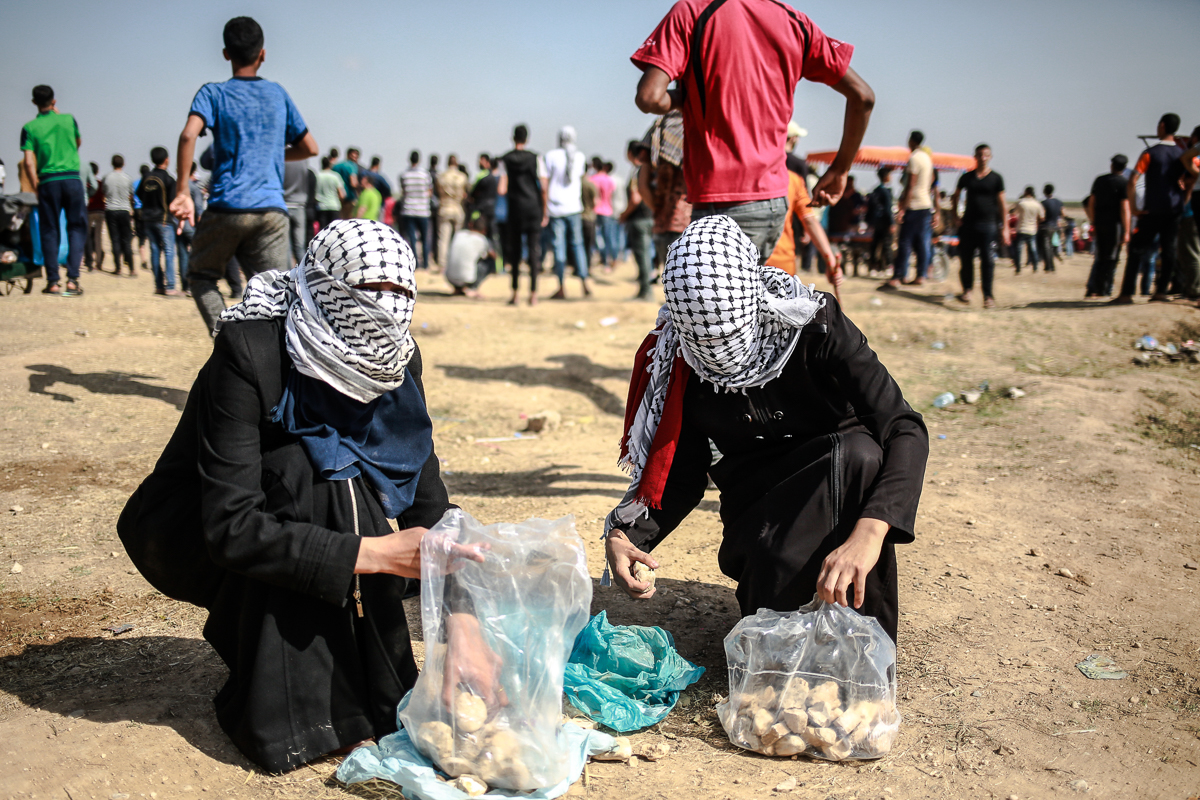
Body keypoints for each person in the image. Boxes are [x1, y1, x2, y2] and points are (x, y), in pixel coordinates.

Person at [119, 219, 501, 772]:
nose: (386, 310)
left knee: (343, 481)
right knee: (314, 471)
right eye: (369, 292)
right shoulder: (251, 351)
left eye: (401, 294)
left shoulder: (395, 358)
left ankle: (374, 684)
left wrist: (462, 626)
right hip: (200, 533)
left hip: (304, 527)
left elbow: (428, 501)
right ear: (323, 287)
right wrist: (375, 555)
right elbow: (231, 524)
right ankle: (296, 707)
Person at [602, 216, 928, 644]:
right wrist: (625, 535)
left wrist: (870, 532)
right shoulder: (682, 359)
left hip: (839, 481)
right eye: (706, 345)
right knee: (775, 636)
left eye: (729, 336)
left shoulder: (814, 325)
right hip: (760, 508)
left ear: (752, 302)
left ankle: (867, 638)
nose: (720, 356)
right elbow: (680, 472)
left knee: (861, 455)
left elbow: (904, 428)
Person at [631, 1, 873, 261]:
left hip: (720, 201)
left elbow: (649, 98)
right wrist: (840, 170)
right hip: (774, 201)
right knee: (750, 298)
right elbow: (863, 96)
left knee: (714, 301)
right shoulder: (796, 21)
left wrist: (685, 97)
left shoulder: (693, 10)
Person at [169, 16, 319, 334]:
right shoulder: (277, 94)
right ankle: (278, 366)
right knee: (279, 295)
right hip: (270, 211)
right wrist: (270, 153)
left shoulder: (213, 94)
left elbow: (187, 136)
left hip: (227, 207)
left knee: (202, 276)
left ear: (226, 53)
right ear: (262, 54)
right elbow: (309, 147)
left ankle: (227, 341)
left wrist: (183, 189)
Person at [1113, 114, 1186, 305]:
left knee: (1137, 248)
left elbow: (1133, 179)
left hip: (1153, 208)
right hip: (1175, 208)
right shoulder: (1182, 154)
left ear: (1161, 126)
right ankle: (1161, 291)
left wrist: (1135, 207)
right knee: (1169, 249)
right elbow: (1192, 176)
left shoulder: (1150, 153)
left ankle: (1127, 293)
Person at [21, 84, 86, 296]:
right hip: (72, 179)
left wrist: (36, 184)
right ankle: (73, 281)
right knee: (76, 227)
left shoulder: (29, 128)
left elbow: (29, 163)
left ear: (34, 103)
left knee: (49, 230)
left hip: (48, 181)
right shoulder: (69, 120)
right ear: (54, 101)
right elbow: (78, 143)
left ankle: (53, 282)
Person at [765, 157, 842, 289]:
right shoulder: (792, 179)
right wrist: (830, 260)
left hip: (747, 267)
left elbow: (809, 219)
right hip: (781, 269)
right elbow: (810, 220)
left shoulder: (793, 180)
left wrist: (831, 261)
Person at [951, 144, 1009, 308]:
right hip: (968, 224)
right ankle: (967, 290)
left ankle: (988, 296)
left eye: (986, 155)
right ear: (974, 157)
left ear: (990, 157)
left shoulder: (996, 178)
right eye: (979, 155)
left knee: (988, 261)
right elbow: (955, 196)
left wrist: (1004, 227)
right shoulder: (967, 177)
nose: (983, 158)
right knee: (966, 260)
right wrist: (955, 216)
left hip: (988, 225)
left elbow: (1002, 203)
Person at [496, 124, 546, 306]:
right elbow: (544, 188)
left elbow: (501, 189)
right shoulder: (536, 158)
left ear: (513, 138)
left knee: (515, 253)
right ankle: (533, 295)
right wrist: (544, 211)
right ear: (527, 139)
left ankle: (515, 294)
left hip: (515, 209)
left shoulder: (505, 159)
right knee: (534, 252)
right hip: (533, 208)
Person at [543, 126, 592, 300]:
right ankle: (585, 284)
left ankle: (561, 286)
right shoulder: (579, 156)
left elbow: (545, 183)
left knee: (558, 248)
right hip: (574, 207)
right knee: (578, 245)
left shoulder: (550, 156)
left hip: (556, 208)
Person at [883, 131, 934, 289]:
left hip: (914, 205)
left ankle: (899, 276)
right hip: (926, 205)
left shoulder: (914, 158)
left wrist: (903, 208)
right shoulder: (927, 158)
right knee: (922, 243)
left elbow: (910, 185)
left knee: (905, 242)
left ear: (911, 141)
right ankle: (921, 275)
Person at [137, 147, 181, 296]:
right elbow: (173, 201)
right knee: (169, 252)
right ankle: (170, 286)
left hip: (148, 219)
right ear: (166, 160)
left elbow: (139, 193)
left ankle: (158, 286)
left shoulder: (146, 177)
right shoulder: (169, 179)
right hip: (164, 220)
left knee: (155, 251)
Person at [620, 140, 654, 300]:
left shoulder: (637, 172)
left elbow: (635, 198)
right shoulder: (647, 169)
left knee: (643, 256)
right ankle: (644, 289)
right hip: (649, 217)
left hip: (639, 219)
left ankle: (646, 291)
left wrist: (624, 215)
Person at [397, 150, 434, 270]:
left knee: (412, 239)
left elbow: (403, 191)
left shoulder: (404, 174)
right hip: (423, 210)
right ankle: (426, 264)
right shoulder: (425, 174)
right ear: (419, 160)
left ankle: (415, 263)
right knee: (424, 238)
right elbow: (429, 191)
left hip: (408, 209)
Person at [445, 213, 495, 298]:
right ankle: (472, 288)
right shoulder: (482, 240)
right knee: (489, 262)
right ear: (484, 230)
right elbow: (493, 256)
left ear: (470, 225)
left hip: (449, 278)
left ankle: (457, 289)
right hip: (467, 279)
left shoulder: (459, 234)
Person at [102, 154, 136, 276]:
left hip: (111, 209)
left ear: (112, 164)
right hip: (124, 209)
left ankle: (118, 268)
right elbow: (131, 195)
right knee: (126, 240)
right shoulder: (127, 178)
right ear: (123, 164)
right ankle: (132, 269)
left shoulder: (107, 177)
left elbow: (104, 192)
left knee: (114, 239)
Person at [436, 154, 469, 269]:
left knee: (443, 239)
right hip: (457, 208)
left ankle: (442, 264)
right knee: (458, 239)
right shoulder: (462, 177)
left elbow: (438, 191)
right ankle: (457, 263)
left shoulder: (441, 177)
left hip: (445, 207)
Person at [1179, 130, 1200, 303]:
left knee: (1192, 251)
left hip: (1193, 206)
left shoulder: (1195, 155)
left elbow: (1185, 157)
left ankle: (1194, 289)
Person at [865, 167, 894, 276]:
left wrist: (870, 222)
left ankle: (873, 266)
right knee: (887, 245)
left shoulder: (875, 190)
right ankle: (888, 266)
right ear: (886, 177)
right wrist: (891, 223)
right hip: (885, 222)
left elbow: (870, 208)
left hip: (876, 223)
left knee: (875, 245)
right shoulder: (886, 191)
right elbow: (888, 209)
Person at [591, 160, 618, 269]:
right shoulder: (609, 180)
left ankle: (603, 258)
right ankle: (613, 258)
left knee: (598, 237)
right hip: (608, 210)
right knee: (609, 237)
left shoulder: (593, 179)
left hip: (596, 210)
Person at [1012, 186, 1044, 274]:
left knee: (1018, 249)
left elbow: (1014, 213)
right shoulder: (1037, 204)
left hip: (1021, 228)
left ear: (1025, 192)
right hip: (1032, 229)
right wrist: (1036, 221)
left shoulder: (1021, 202)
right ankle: (1035, 267)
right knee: (1033, 249)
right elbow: (1042, 217)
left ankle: (1018, 268)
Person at [468, 154, 498, 245]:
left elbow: (473, 192)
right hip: (491, 208)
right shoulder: (493, 176)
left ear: (487, 162)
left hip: (481, 209)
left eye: (481, 160)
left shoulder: (482, 175)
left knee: (477, 234)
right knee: (492, 234)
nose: (479, 163)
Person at [284, 160, 310, 265]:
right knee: (300, 245)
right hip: (299, 205)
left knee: (287, 247)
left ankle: (288, 275)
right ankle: (305, 272)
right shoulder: (303, 161)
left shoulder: (283, 159)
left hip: (284, 204)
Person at [84, 161, 105, 272]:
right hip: (100, 212)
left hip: (89, 211)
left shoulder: (86, 185)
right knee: (98, 238)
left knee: (87, 236)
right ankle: (99, 262)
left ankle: (89, 260)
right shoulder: (100, 183)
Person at [314, 156, 345, 231]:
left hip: (321, 207)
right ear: (330, 164)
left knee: (323, 231)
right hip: (334, 206)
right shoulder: (335, 176)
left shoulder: (317, 176)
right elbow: (342, 194)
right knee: (334, 231)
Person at [1038, 184, 1063, 273]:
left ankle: (1049, 267)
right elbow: (1063, 214)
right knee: (1052, 247)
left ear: (1045, 191)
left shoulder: (1044, 202)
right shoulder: (1058, 202)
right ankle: (1050, 266)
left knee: (1046, 248)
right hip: (1056, 227)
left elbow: (1042, 216)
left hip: (1046, 227)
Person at [333, 148, 362, 219]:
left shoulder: (336, 166)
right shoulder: (352, 166)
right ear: (349, 155)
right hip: (349, 198)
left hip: (337, 198)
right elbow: (353, 183)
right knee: (348, 222)